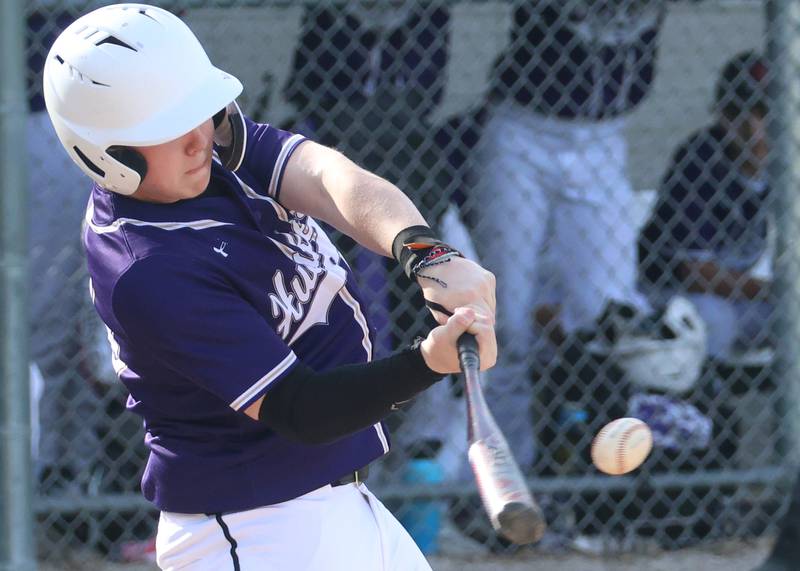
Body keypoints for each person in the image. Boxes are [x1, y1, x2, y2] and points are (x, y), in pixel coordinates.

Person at [42, 4, 496, 571]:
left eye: (198, 112)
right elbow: (301, 409)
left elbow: (330, 179)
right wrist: (429, 362)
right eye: (166, 129)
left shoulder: (212, 155)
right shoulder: (148, 270)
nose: (195, 138)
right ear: (105, 154)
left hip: (334, 508)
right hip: (252, 532)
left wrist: (428, 252)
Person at [469, 0, 663, 476]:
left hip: (604, 139)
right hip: (524, 134)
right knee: (505, 319)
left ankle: (599, 479)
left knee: (611, 317)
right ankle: (504, 474)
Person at [638, 50, 772, 362]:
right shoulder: (701, 160)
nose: (753, 131)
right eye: (737, 112)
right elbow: (697, 274)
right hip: (672, 296)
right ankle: (708, 399)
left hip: (743, 294)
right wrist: (775, 291)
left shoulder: (784, 158)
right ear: (720, 114)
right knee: (713, 318)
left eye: (764, 112)